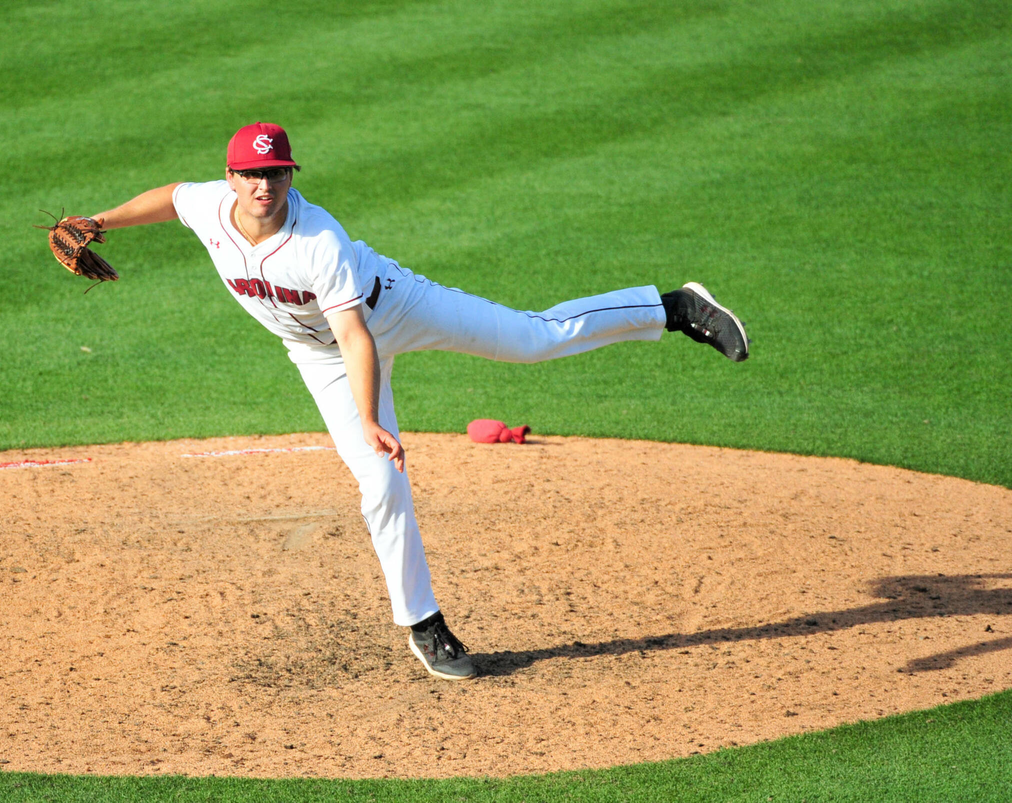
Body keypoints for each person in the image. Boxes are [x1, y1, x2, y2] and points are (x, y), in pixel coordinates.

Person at [84, 122, 749, 681]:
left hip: (390, 309)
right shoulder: (211, 207)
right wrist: (100, 220)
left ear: (291, 176)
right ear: (230, 178)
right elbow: (172, 197)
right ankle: (424, 623)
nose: (264, 188)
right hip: (319, 358)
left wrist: (370, 418)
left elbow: (356, 336)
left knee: (527, 338)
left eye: (278, 175)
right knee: (381, 481)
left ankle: (670, 307)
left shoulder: (319, 241)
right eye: (252, 176)